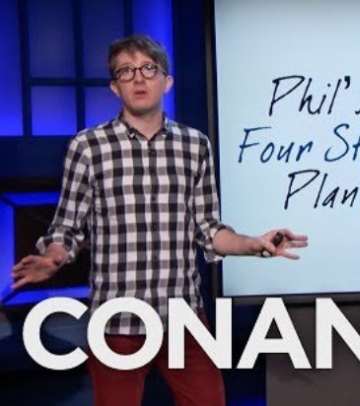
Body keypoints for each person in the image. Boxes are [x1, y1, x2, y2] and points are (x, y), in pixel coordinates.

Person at [8, 34, 308, 406]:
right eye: (126, 71)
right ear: (115, 87)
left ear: (167, 82)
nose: (138, 78)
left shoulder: (195, 145)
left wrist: (253, 244)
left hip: (182, 318)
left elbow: (208, 230)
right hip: (116, 320)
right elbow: (67, 227)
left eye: (149, 69)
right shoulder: (88, 147)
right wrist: (53, 256)